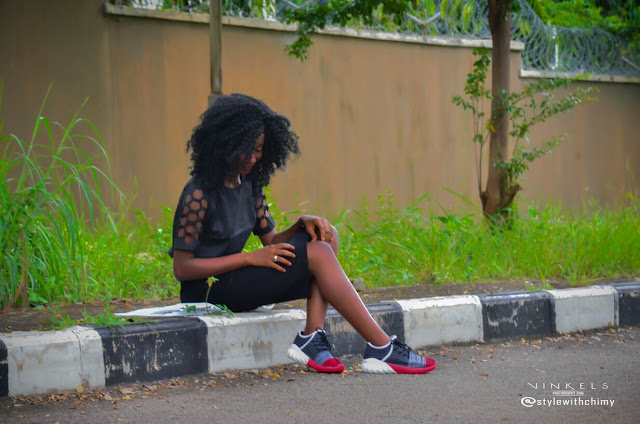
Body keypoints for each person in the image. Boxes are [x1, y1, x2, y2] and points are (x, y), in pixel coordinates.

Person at [169, 94, 437, 374]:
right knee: (318, 254)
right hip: (206, 291)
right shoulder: (198, 194)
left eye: (259, 150)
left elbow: (272, 241)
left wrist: (300, 225)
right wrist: (250, 258)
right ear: (226, 144)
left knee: (324, 238)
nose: (254, 158)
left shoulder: (248, 185)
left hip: (236, 279)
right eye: (247, 151)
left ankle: (312, 336)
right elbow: (183, 269)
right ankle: (382, 347)